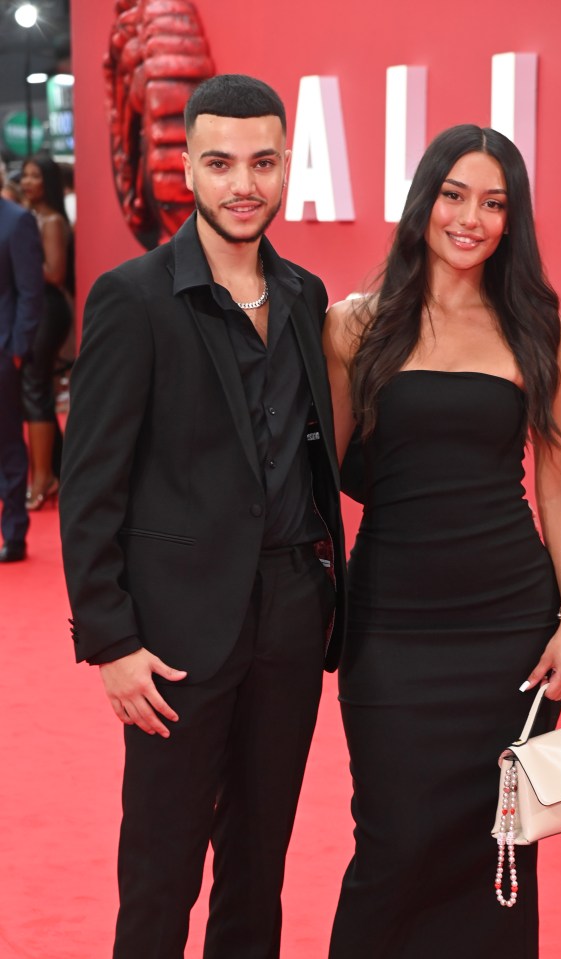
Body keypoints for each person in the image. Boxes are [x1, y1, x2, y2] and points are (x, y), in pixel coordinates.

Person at [59, 74, 346, 959]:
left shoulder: (305, 294)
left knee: (260, 867)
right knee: (160, 872)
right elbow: (89, 482)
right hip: (178, 633)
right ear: (190, 166)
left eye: (263, 162)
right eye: (221, 163)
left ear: (287, 164)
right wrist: (109, 638)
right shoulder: (132, 297)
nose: (243, 184)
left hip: (292, 617)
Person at [323, 124, 561, 957]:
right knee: (394, 843)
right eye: (455, 194)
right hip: (392, 626)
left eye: (494, 202)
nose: (471, 216)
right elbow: (319, 472)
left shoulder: (537, 327)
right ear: (424, 201)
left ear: (513, 221)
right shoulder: (352, 328)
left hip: (508, 630)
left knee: (498, 850)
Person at [19, 153, 73, 509]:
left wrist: (18, 259)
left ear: (48, 182)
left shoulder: (51, 222)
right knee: (33, 387)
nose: (27, 182)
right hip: (35, 309)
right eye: (24, 176)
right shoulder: (31, 218)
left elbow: (54, 273)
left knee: (36, 387)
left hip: (48, 311)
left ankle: (44, 478)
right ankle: (53, 469)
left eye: (35, 176)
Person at [0, 160, 43, 563]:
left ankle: (14, 533)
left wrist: (16, 349)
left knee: (7, 443)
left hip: (2, 351)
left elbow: (31, 292)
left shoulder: (17, 222)